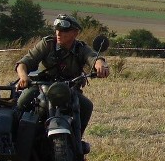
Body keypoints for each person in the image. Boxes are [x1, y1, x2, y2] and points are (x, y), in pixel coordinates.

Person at [15, 14, 109, 142]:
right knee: (21, 102)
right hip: (43, 86)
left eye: (64, 31)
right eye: (57, 30)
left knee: (86, 106)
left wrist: (100, 64)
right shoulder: (47, 44)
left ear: (75, 33)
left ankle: (77, 144)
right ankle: (15, 140)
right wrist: (23, 77)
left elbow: (92, 57)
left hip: (68, 90)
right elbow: (23, 63)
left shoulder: (80, 48)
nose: (58, 33)